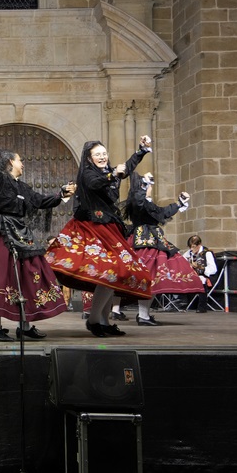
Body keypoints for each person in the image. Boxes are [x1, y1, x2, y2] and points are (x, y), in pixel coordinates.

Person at [46, 136, 154, 338]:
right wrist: (113, 174)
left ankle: (104, 321)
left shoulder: (108, 171)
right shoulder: (88, 174)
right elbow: (94, 184)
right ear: (89, 158)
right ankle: (94, 320)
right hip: (93, 228)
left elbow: (126, 168)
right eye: (98, 154)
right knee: (109, 272)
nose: (102, 157)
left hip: (110, 228)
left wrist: (141, 151)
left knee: (113, 274)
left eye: (104, 153)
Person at [0, 131, 75, 341]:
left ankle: (24, 325)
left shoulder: (22, 187)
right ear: (11, 162)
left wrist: (61, 194)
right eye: (20, 160)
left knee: (26, 275)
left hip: (19, 233)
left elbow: (40, 201)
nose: (23, 164)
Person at [117, 172, 203, 325]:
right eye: (148, 185)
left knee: (153, 279)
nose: (151, 187)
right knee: (147, 278)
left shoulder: (147, 202)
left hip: (154, 241)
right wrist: (144, 185)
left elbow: (162, 213)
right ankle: (142, 315)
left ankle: (144, 315)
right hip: (144, 242)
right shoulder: (138, 201)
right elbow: (139, 202)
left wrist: (178, 203)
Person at [182, 234, 218, 313]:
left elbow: (213, 269)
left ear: (199, 245)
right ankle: (183, 303)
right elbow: (182, 260)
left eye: (194, 247)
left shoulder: (207, 253)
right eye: (190, 247)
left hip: (207, 276)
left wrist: (200, 267)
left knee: (201, 279)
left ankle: (202, 306)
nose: (192, 249)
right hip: (194, 275)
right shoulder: (189, 253)